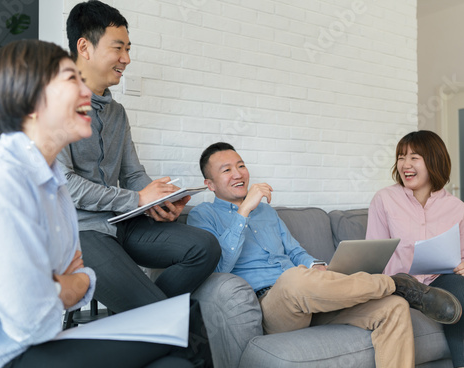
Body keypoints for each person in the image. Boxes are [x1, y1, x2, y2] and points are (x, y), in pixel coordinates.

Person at [0, 40, 194, 368]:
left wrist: (60, 283)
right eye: (72, 80)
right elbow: (32, 316)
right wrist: (70, 283)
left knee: (177, 360)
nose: (87, 92)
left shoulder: (54, 183)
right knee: (178, 330)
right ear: (31, 100)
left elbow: (72, 282)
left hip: (38, 342)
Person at [187, 141, 462, 368]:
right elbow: (219, 265)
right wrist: (244, 211)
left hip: (313, 297)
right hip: (273, 305)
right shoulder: (203, 215)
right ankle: (395, 284)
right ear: (209, 184)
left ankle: (396, 293)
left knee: (394, 309)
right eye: (226, 170)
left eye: (241, 165)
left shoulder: (267, 212)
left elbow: (295, 251)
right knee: (295, 279)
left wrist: (317, 266)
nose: (238, 173)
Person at [57, 0, 220, 315]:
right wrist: (135, 199)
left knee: (205, 247)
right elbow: (64, 184)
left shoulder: (117, 112)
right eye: (118, 48)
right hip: (78, 232)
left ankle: (141, 317)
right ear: (84, 47)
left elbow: (133, 175)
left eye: (128, 49)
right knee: (158, 314)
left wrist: (157, 200)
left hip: (122, 223)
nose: (126, 59)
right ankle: (150, 317)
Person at [366, 130, 464, 368]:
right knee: (403, 283)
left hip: (439, 278)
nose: (405, 164)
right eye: (401, 157)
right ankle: (414, 294)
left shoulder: (456, 207)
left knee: (460, 295)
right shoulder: (384, 199)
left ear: (434, 161)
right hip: (399, 280)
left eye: (414, 157)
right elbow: (373, 253)